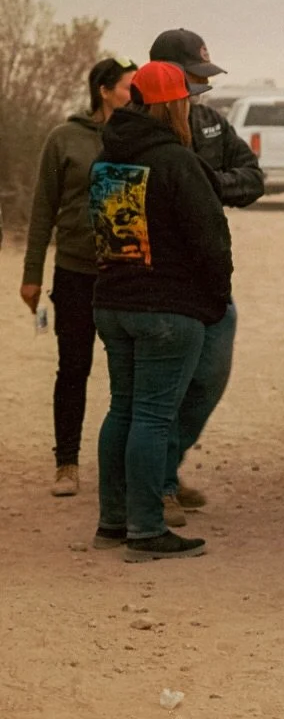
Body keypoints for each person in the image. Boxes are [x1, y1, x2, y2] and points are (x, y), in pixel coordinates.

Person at [90, 60, 232, 560]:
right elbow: (211, 242)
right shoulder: (177, 162)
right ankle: (147, 530)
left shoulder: (105, 159)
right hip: (167, 311)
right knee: (152, 417)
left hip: (113, 303)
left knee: (122, 410)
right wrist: (215, 299)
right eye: (185, 102)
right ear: (173, 105)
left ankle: (112, 522)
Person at [147, 28, 259, 524]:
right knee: (160, 389)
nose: (202, 84)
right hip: (158, 278)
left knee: (208, 376)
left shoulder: (211, 123)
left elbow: (252, 178)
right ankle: (156, 487)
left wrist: (207, 183)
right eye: (195, 74)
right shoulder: (140, 126)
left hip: (208, 273)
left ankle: (165, 468)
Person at [21, 58, 137, 496]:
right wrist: (32, 274)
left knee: (131, 372)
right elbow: (42, 210)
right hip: (74, 271)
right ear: (104, 91)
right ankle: (66, 464)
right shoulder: (64, 139)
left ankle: (133, 466)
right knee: (73, 367)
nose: (135, 95)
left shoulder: (139, 138)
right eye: (128, 87)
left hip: (125, 274)